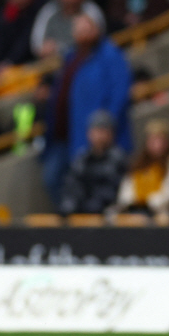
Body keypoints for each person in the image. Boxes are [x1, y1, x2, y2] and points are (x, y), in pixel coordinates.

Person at [42, 13, 132, 206]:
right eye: (78, 30)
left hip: (103, 139)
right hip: (71, 135)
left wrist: (105, 128)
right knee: (61, 182)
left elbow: (119, 93)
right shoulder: (72, 58)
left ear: (97, 30)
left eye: (86, 29)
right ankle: (71, 223)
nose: (82, 34)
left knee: (103, 190)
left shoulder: (111, 55)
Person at [58, 110, 128, 215]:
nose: (99, 136)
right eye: (95, 131)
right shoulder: (82, 159)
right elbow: (72, 184)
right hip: (82, 211)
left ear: (111, 134)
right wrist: (71, 202)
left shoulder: (119, 159)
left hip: (107, 213)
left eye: (103, 131)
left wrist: (96, 202)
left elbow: (115, 189)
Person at [114, 119, 169, 219]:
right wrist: (131, 201)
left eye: (160, 140)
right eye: (153, 140)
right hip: (135, 210)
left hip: (160, 212)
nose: (157, 144)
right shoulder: (139, 162)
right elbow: (127, 187)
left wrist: (150, 202)